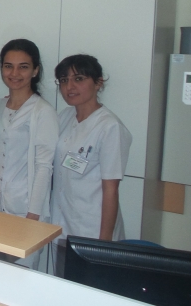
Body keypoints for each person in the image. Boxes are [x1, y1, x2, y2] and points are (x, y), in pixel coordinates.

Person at [50, 54, 131, 276]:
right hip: (62, 227)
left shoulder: (110, 127)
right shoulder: (65, 117)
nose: (69, 86)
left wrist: (103, 244)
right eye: (64, 80)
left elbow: (111, 189)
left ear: (98, 83)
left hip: (92, 231)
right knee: (63, 287)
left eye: (78, 79)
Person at [0, 39, 58, 269]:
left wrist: (33, 216)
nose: (14, 73)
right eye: (8, 66)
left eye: (23, 67)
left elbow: (44, 166)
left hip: (24, 212)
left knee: (20, 277)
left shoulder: (43, 111)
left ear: (35, 70)